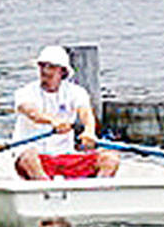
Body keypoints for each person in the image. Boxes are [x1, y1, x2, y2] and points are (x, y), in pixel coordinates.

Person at [13, 45, 119, 180]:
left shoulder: (76, 92)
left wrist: (89, 131)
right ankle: (46, 189)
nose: (45, 71)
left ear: (62, 71)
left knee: (110, 158)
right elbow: (31, 112)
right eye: (42, 66)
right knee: (29, 157)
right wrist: (53, 121)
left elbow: (85, 113)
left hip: (66, 155)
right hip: (37, 156)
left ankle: (93, 192)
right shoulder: (25, 92)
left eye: (50, 67)